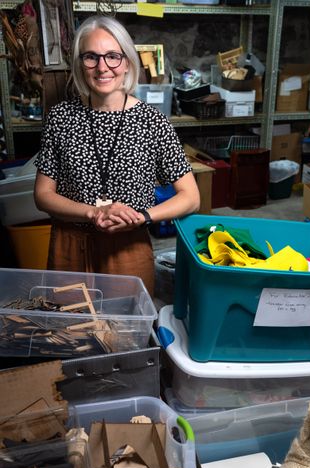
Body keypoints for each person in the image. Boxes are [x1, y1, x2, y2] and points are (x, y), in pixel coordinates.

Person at [34, 15, 200, 296]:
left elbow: (191, 197)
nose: (102, 67)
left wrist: (143, 216)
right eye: (91, 57)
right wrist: (93, 212)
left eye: (113, 56)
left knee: (125, 332)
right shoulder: (61, 117)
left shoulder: (152, 122)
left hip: (129, 247)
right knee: (70, 333)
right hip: (71, 244)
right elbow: (43, 195)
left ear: (126, 62)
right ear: (80, 63)